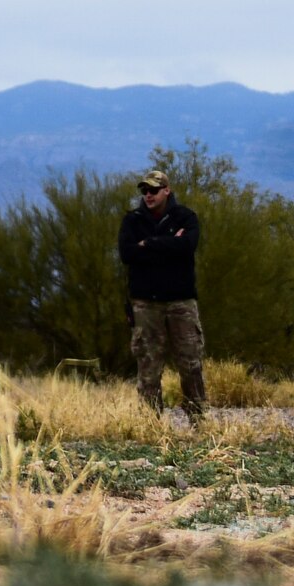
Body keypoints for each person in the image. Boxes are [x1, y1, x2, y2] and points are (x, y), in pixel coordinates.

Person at [117, 168, 206, 418]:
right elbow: (127, 253)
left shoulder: (185, 217)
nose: (148, 195)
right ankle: (150, 420)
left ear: (166, 190)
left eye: (154, 190)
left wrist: (150, 244)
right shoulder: (133, 220)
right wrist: (169, 244)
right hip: (145, 303)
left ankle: (198, 417)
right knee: (148, 364)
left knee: (190, 363)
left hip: (181, 302)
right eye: (145, 191)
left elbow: (187, 245)